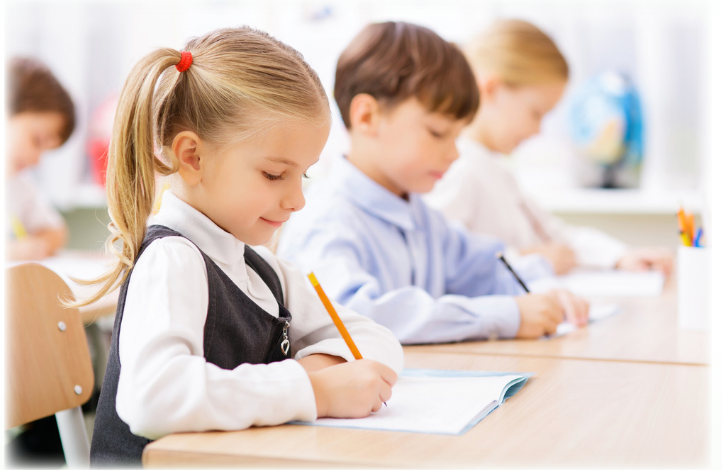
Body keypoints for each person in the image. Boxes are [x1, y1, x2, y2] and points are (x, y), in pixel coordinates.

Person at [74, 27, 403, 466]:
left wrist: (316, 370)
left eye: (303, 175)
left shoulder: (263, 269)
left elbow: (374, 339)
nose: (298, 200)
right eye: (273, 174)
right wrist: (313, 389)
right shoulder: (173, 260)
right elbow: (153, 398)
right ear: (192, 157)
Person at [277, 22, 589, 346]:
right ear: (367, 116)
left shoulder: (421, 217)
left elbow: (486, 269)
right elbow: (353, 315)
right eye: (439, 132)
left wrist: (543, 290)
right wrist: (504, 314)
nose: (454, 152)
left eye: (458, 135)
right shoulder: (328, 219)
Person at [424, 19, 673, 275]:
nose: (538, 130)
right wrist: (529, 259)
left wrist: (620, 256)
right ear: (492, 90)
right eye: (536, 113)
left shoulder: (494, 168)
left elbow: (554, 235)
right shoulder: (458, 168)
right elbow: (444, 261)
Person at [6, 57, 74, 260]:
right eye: (37, 140)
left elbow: (56, 232)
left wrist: (35, 246)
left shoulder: (17, 183)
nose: (36, 160)